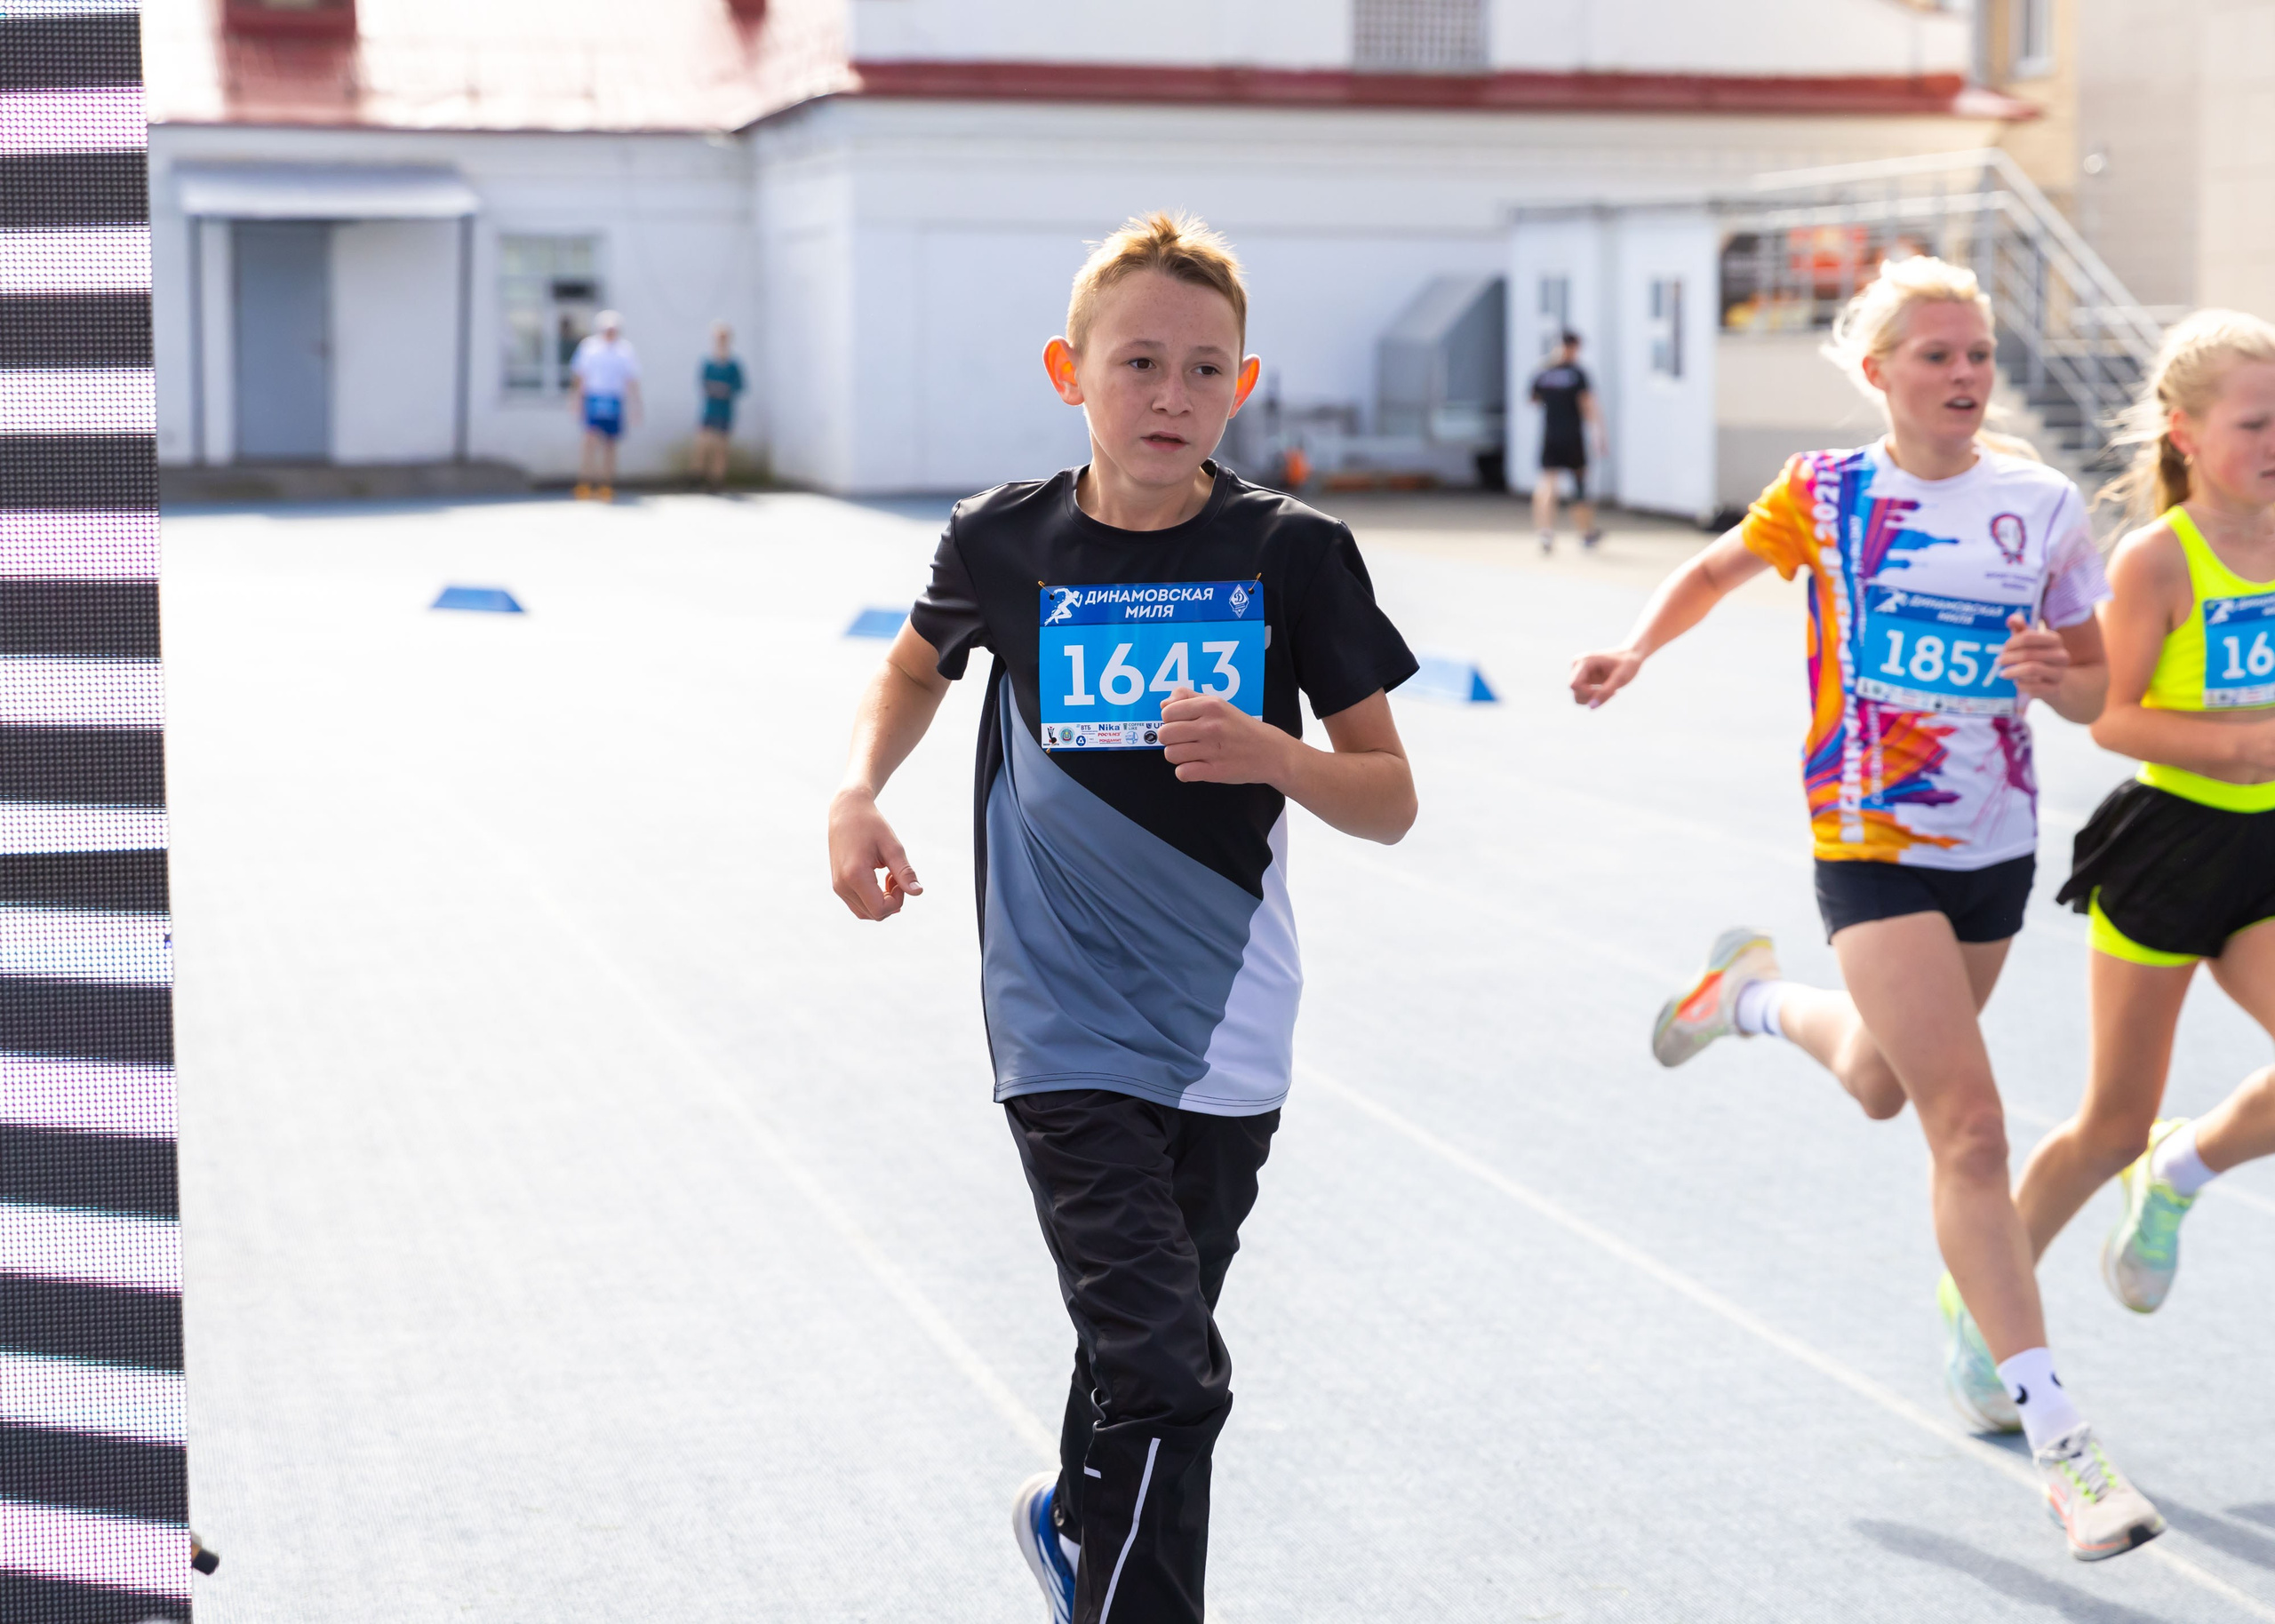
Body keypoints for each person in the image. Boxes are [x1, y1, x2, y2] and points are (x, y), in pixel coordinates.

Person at [824, 212, 1418, 1624]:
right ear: (1068, 372)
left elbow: (1390, 798)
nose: (1171, 395)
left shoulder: (1294, 555)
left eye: (1205, 370)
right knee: (1166, 1374)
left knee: (1141, 1348)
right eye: (1138, 362)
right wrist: (856, 791)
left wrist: (1273, 755)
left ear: (1243, 385)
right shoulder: (1003, 541)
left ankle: (1075, 1522)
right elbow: (910, 671)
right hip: (1062, 1022)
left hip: (1226, 1028)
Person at [1568, 256, 2164, 1562]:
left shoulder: (2041, 507)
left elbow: (2091, 688)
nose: (1964, 374)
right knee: (1972, 1129)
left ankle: (1751, 997)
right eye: (1935, 354)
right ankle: (2062, 1443)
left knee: (1887, 1083)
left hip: (1993, 844)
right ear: (1875, 370)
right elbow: (1715, 573)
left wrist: (2057, 673)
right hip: (1869, 838)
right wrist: (1637, 645)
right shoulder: (1825, 494)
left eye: (1977, 353)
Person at [2012, 311, 2275, 1315]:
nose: (2274, 442)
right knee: (2112, 1124)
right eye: (2254, 423)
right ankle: (1986, 1297)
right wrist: (2242, 746)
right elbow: (2111, 718)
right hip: (2171, 848)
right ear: (2184, 433)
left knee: (2150, 1144)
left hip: (2268, 849)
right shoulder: (2156, 559)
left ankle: (2178, 1171)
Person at [1529, 330, 1603, 553]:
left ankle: (1545, 533)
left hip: (1550, 435)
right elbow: (1587, 405)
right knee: (1579, 483)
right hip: (1572, 436)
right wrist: (1599, 433)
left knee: (1548, 482)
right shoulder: (1576, 374)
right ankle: (1585, 532)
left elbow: (1534, 400)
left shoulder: (1543, 372)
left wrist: (1553, 408)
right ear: (1573, 347)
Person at [570, 309, 641, 501]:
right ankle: (585, 483)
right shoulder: (589, 347)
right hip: (593, 397)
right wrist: (576, 400)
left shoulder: (625, 350)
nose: (610, 333)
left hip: (614, 399)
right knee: (589, 441)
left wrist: (636, 406)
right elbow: (580, 376)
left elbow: (632, 379)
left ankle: (606, 485)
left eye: (613, 330)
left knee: (610, 444)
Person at [694, 322, 745, 490]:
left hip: (725, 410)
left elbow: (740, 386)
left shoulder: (733, 365)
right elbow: (703, 383)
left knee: (721, 447)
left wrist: (726, 390)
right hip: (709, 409)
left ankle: (716, 481)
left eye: (724, 338)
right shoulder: (708, 363)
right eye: (718, 338)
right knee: (703, 443)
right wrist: (713, 389)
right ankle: (698, 477)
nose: (721, 341)